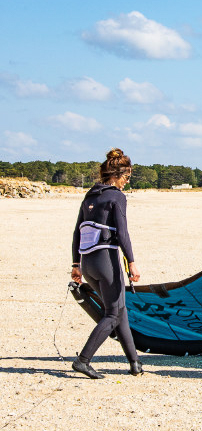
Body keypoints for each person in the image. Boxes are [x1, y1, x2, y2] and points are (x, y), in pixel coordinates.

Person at [70, 148, 143, 379]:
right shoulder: (116, 196)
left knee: (119, 310)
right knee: (112, 315)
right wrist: (132, 262)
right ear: (116, 175)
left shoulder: (90, 195)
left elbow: (77, 233)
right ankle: (83, 360)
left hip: (88, 263)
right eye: (127, 178)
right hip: (106, 260)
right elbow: (123, 233)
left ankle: (135, 363)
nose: (126, 183)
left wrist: (76, 265)